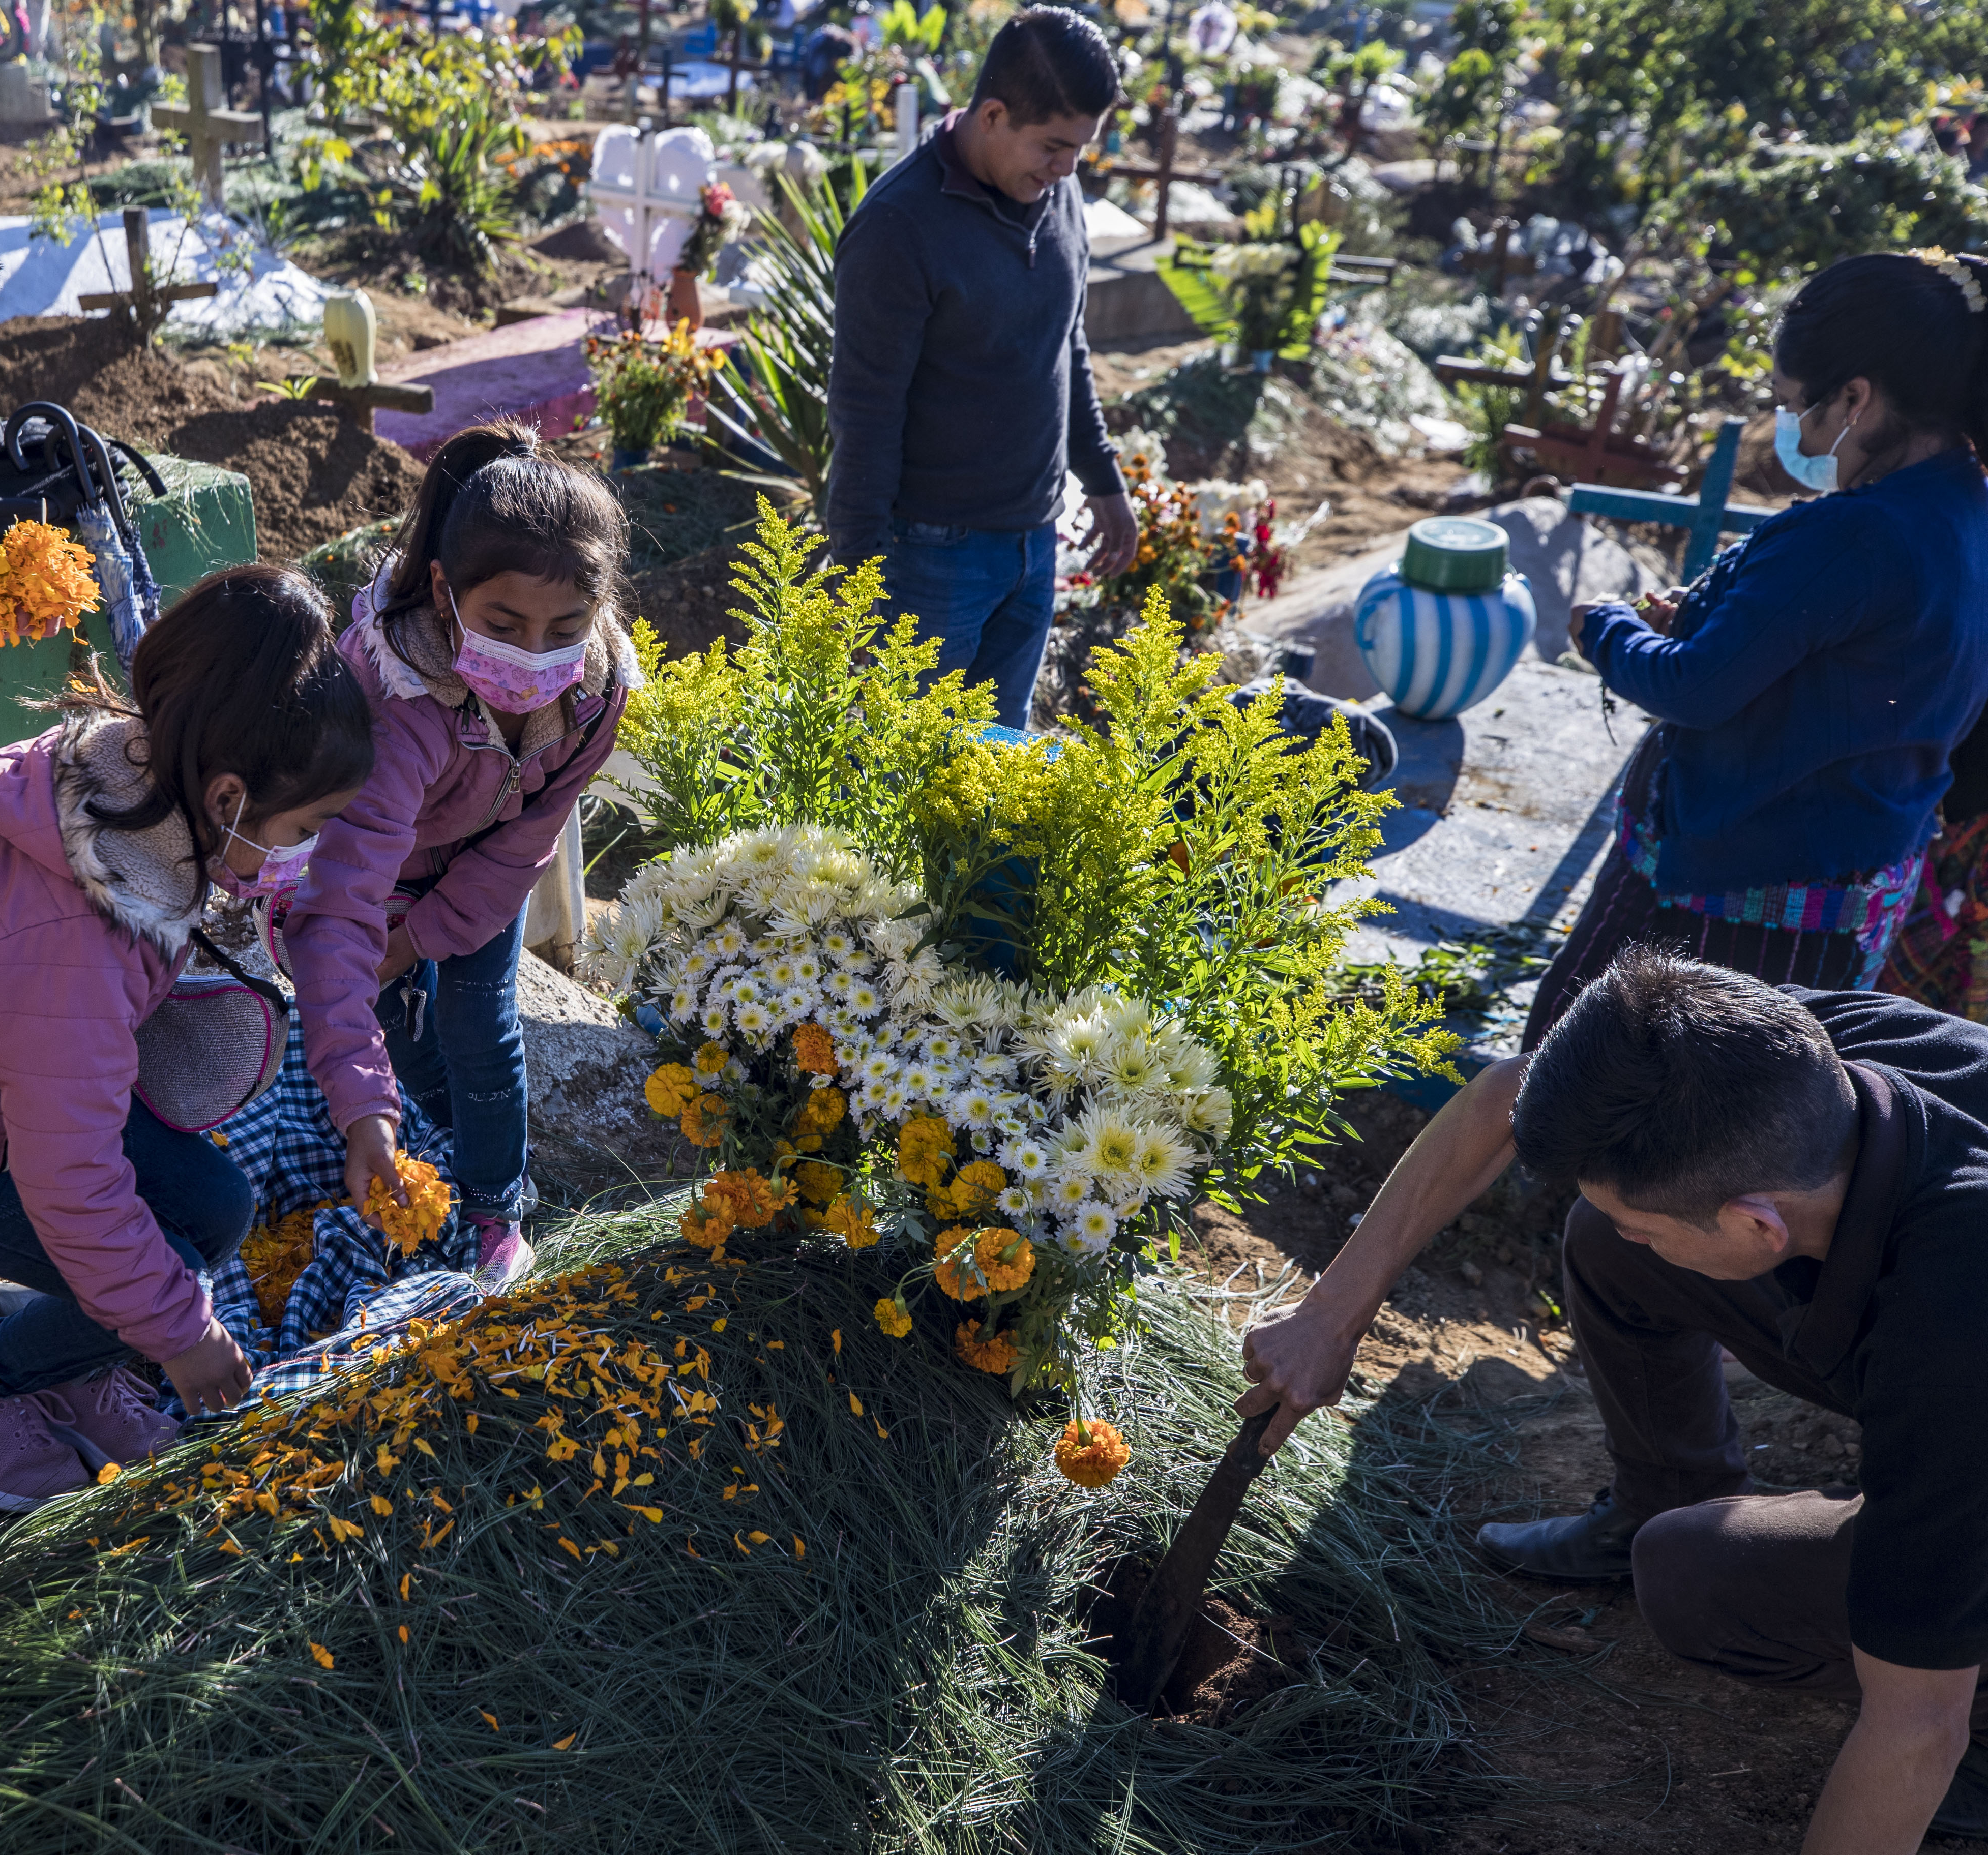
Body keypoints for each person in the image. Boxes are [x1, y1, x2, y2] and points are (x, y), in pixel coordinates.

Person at [1242, 949, 1988, 1849]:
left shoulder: (1950, 1334)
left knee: (1696, 1576)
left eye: (1656, 1223)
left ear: (1760, 1223)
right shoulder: (1795, 1061)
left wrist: (1934, 1689)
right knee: (1610, 1236)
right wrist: (1331, 1315)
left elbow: (1916, 1723)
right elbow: (1509, 1093)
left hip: (1961, 1378)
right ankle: (1663, 1485)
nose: (1637, 1233)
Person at [0, 566, 376, 1512]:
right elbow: (68, 1174)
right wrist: (178, 1334)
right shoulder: (71, 932)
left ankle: (64, 1362)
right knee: (168, 1280)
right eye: (305, 829)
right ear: (226, 798)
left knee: (216, 1204)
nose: (309, 852)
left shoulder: (130, 792)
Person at [1532, 249, 1988, 1047]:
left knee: (1578, 1086)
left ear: (1855, 396)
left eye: (1792, 405)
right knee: (1745, 1136)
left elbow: (1694, 689)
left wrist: (1604, 629)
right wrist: (1711, 621)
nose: (1791, 430)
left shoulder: (1854, 533)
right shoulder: (1966, 510)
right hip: (1845, 907)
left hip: (1718, 908)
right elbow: (1866, 671)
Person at [282, 421, 637, 1286]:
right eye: (504, 623)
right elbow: (351, 875)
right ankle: (434, 1140)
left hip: (488, 873)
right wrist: (390, 945)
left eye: (566, 627)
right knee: (402, 1042)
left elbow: (531, 834)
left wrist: (433, 933)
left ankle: (493, 1204)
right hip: (384, 877)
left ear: (599, 610)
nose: (533, 654)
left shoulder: (596, 688)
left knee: (481, 1025)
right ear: (444, 594)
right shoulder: (400, 693)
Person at [823, 5, 1142, 732]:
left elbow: (1068, 345)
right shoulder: (899, 229)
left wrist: (1104, 480)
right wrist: (860, 577)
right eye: (1054, 147)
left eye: (1080, 151)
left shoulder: (1058, 196)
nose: (1068, 170)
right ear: (992, 114)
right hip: (931, 558)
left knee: (1000, 778)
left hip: (1034, 540)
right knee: (910, 773)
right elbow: (865, 414)